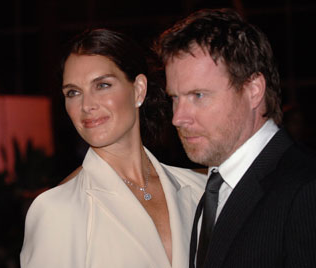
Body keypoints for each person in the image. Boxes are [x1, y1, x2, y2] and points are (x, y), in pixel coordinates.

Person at [20, 28, 206, 268]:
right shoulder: (57, 210)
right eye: (73, 92)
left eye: (102, 85)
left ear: (138, 89)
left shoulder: (200, 189)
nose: (86, 105)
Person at [155, 8, 316, 268]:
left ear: (253, 91)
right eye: (175, 97)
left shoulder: (306, 190)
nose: (178, 117)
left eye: (198, 95)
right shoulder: (215, 186)